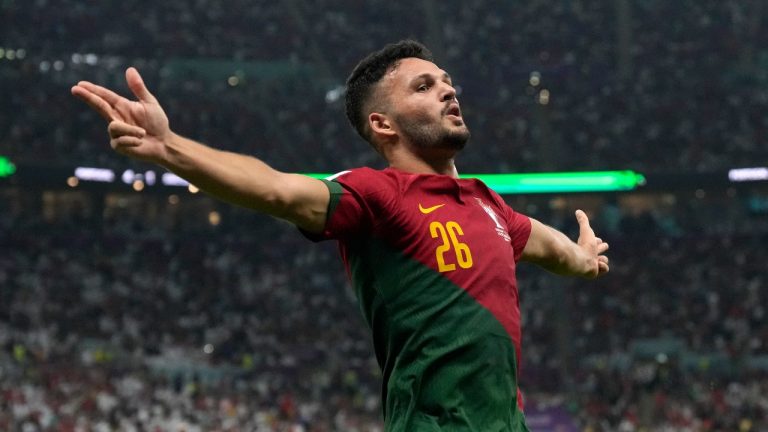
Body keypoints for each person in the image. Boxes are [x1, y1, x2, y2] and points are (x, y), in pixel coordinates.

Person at [72, 40, 609, 432]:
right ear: (383, 125)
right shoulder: (378, 195)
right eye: (424, 86)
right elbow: (277, 190)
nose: (448, 90)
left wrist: (584, 258)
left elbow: (551, 248)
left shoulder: (489, 204)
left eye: (447, 81)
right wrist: (171, 150)